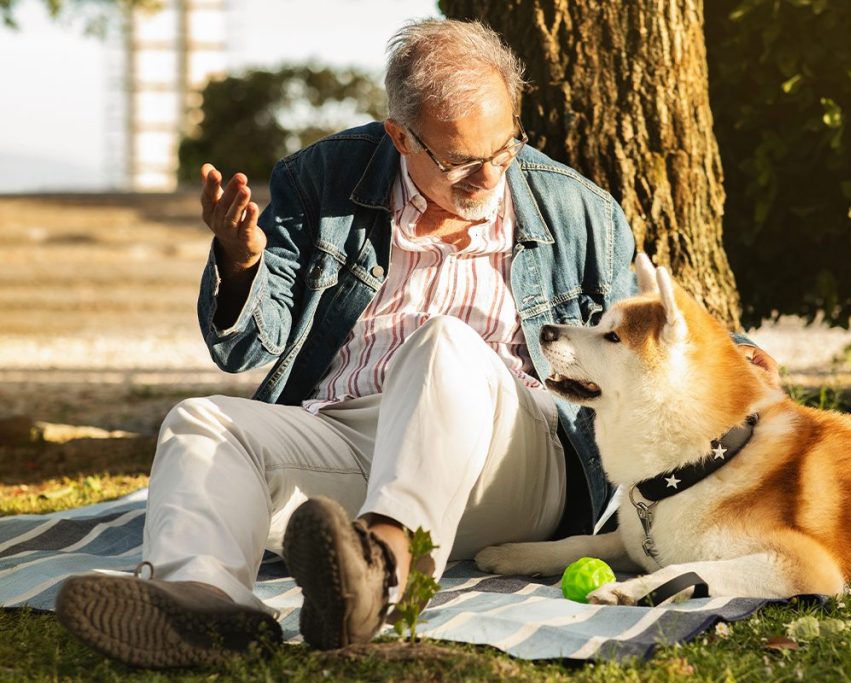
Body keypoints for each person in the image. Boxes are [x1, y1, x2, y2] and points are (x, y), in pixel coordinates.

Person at [54, 18, 636, 668]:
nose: (487, 179)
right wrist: (241, 263)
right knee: (202, 420)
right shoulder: (324, 178)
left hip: (510, 462)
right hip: (355, 436)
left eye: (502, 151)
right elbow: (245, 350)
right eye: (460, 162)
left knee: (443, 344)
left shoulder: (577, 208)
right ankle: (204, 602)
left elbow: (640, 333)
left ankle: (382, 572)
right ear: (400, 137)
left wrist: (733, 360)